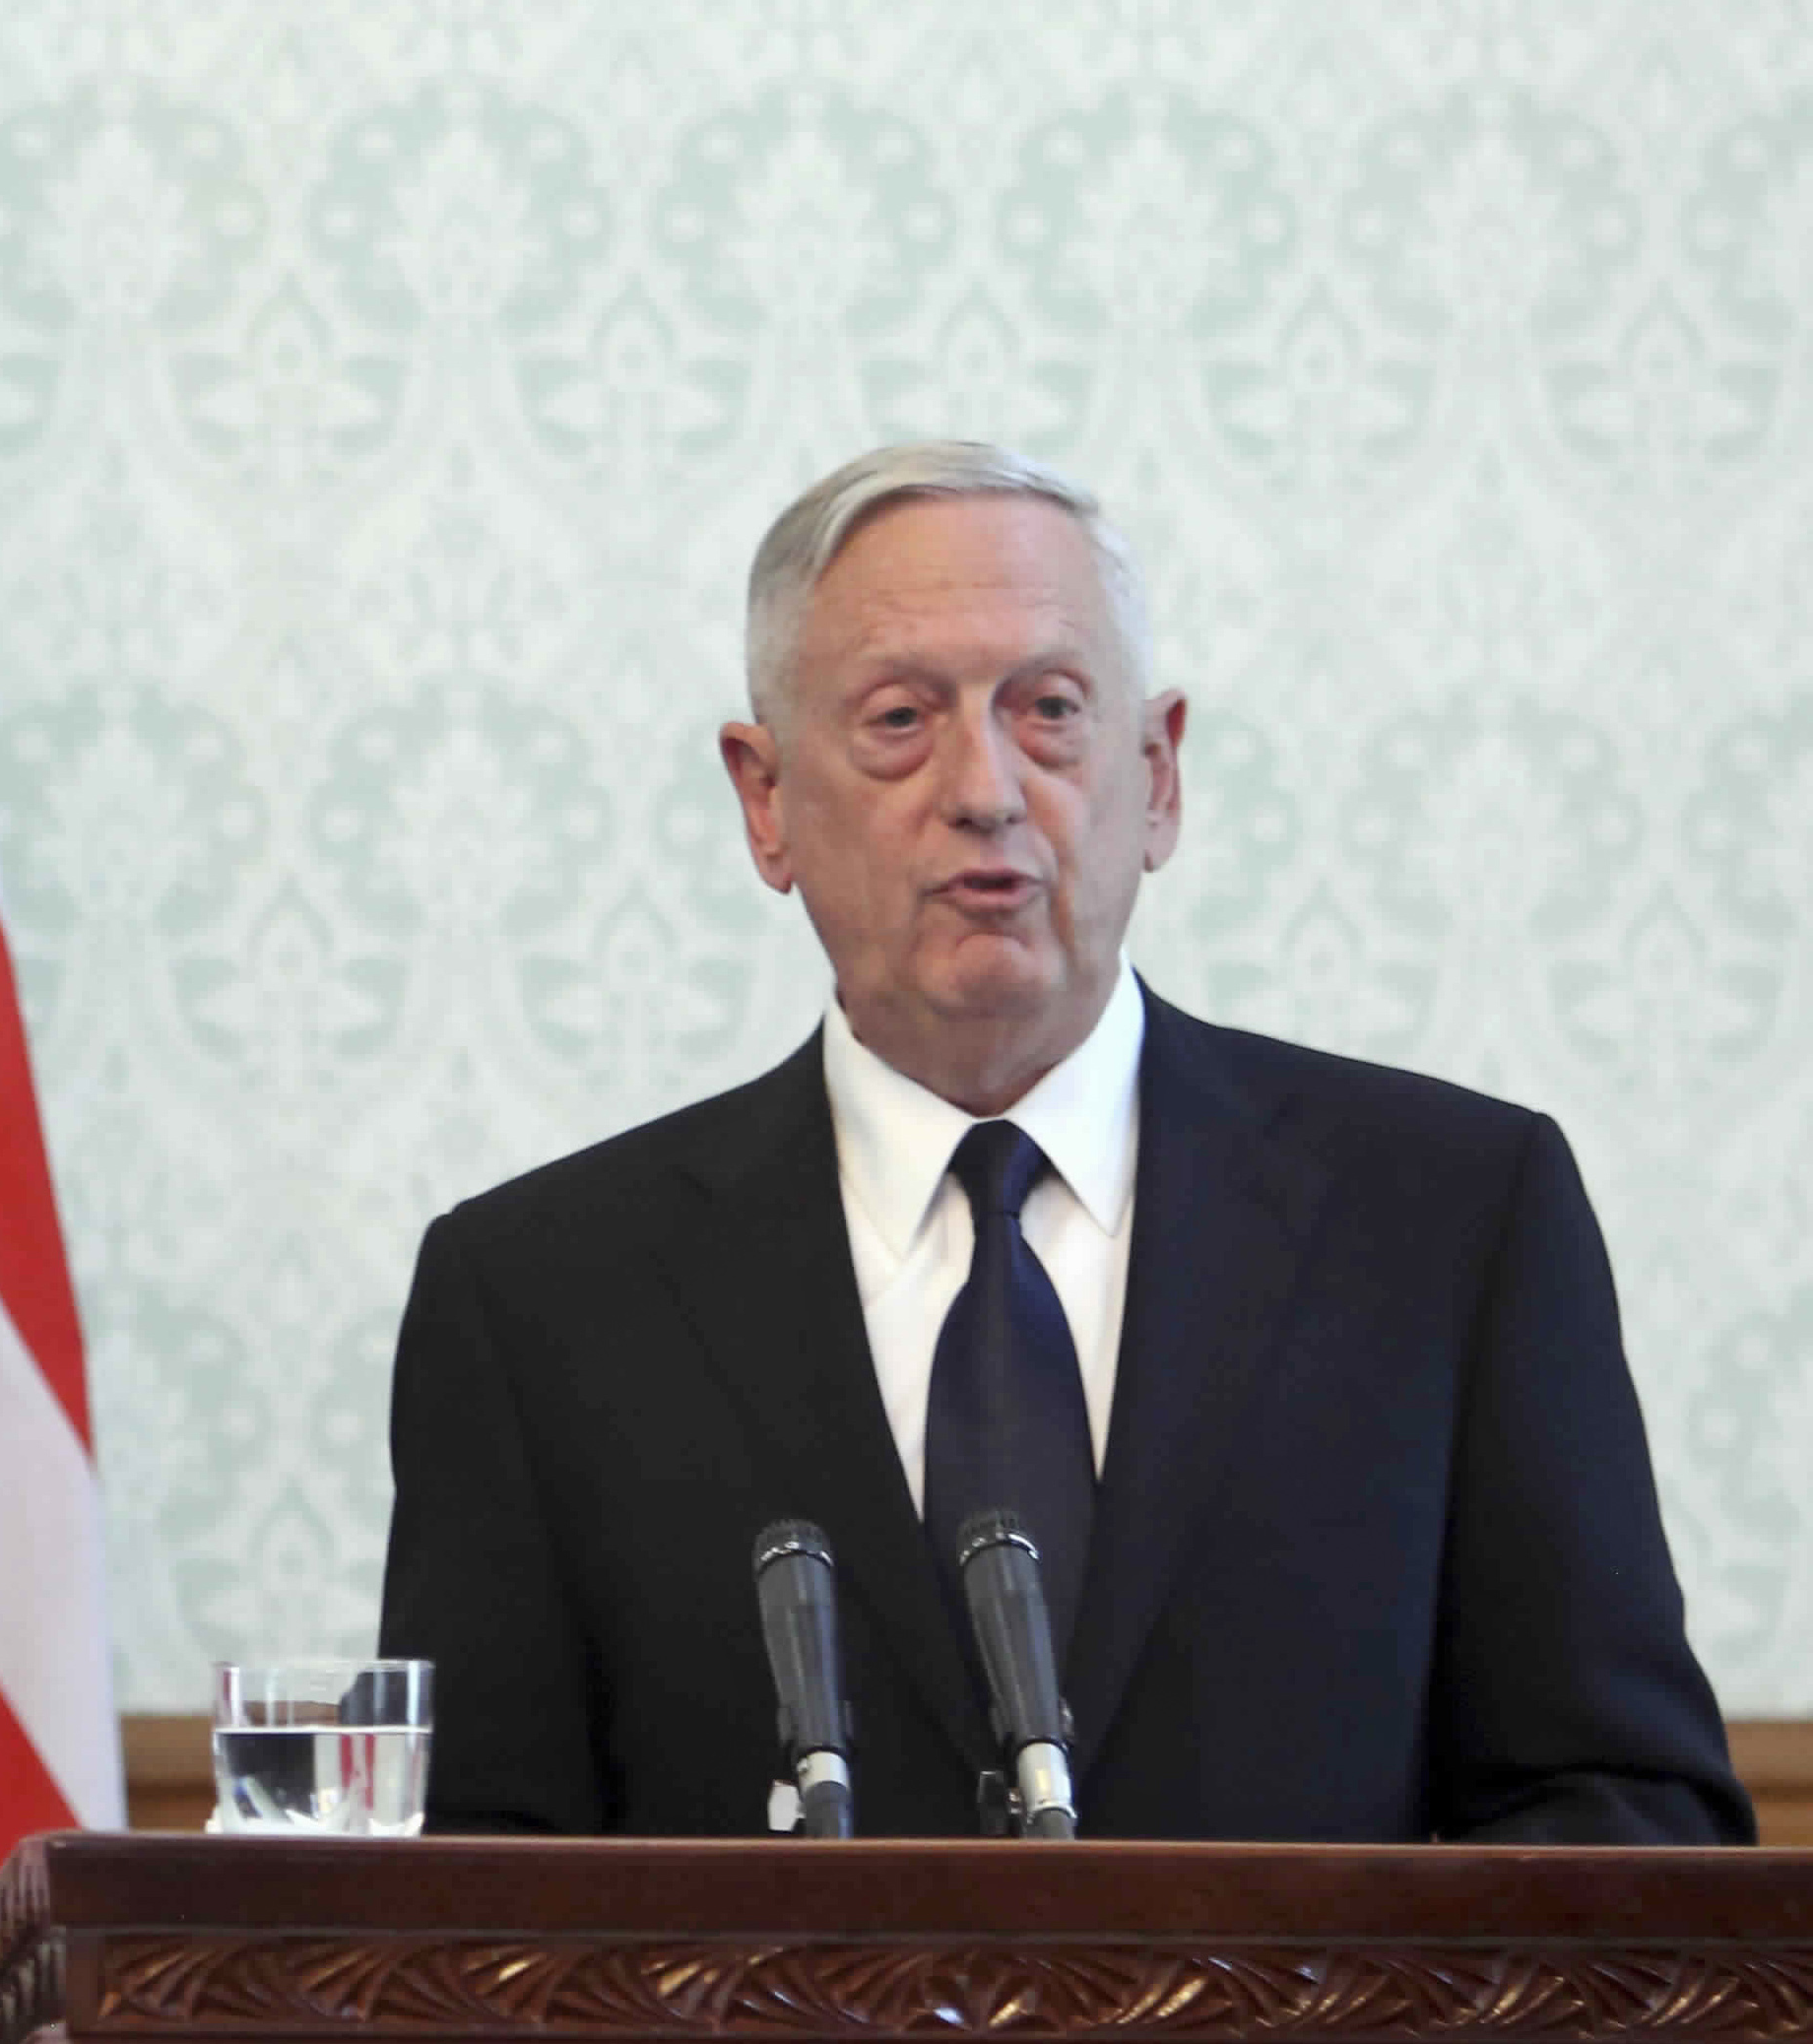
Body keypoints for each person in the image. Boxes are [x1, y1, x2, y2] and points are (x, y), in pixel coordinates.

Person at [376, 444, 1745, 1842]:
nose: (985, 788)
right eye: (901, 719)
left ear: (1157, 775)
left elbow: (1625, 1814)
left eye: (1050, 711)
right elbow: (482, 1893)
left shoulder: (1450, 1222)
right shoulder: (540, 1299)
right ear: (765, 799)